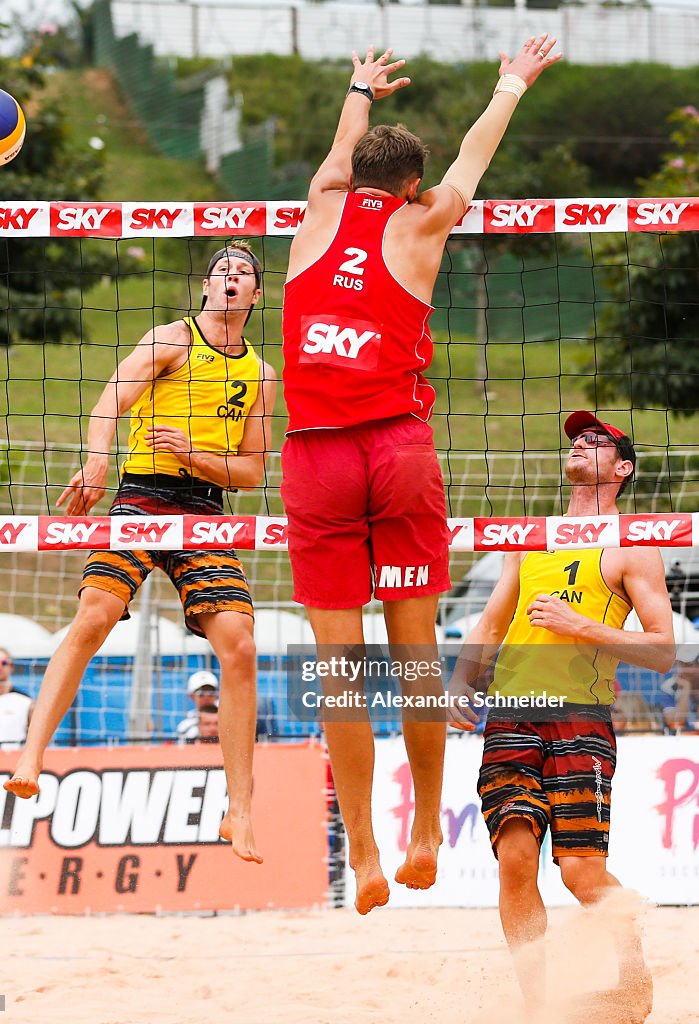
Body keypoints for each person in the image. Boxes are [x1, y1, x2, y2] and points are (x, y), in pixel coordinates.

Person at [280, 37, 561, 914]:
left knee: (339, 670)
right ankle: (425, 834)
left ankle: (360, 851)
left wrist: (358, 87)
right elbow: (476, 149)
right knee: (413, 663)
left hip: (317, 454)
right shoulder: (423, 219)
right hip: (396, 449)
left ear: (350, 174)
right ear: (409, 186)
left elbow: (337, 156)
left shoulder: (316, 213)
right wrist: (511, 80)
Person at [5, 241, 277, 864]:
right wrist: (98, 458)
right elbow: (108, 404)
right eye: (221, 272)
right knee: (94, 616)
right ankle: (31, 755)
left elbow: (252, 472)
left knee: (239, 643)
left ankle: (239, 808)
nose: (231, 279)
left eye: (243, 274)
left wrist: (192, 453)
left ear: (256, 296)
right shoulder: (171, 340)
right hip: (143, 496)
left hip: (205, 507)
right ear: (206, 289)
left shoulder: (260, 375)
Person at [449, 411, 675, 1019]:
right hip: (513, 714)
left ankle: (633, 975)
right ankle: (538, 1006)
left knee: (580, 874)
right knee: (516, 863)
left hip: (582, 718)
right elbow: (494, 620)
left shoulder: (634, 545)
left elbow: (664, 651)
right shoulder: (532, 536)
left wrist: (581, 626)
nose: (580, 442)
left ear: (622, 468)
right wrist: (458, 680)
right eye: (576, 437)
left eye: (597, 440)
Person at [177, 669, 220, 742]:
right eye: (201, 693)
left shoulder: (228, 718)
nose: (207, 696)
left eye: (211, 691)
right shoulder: (186, 726)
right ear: (191, 695)